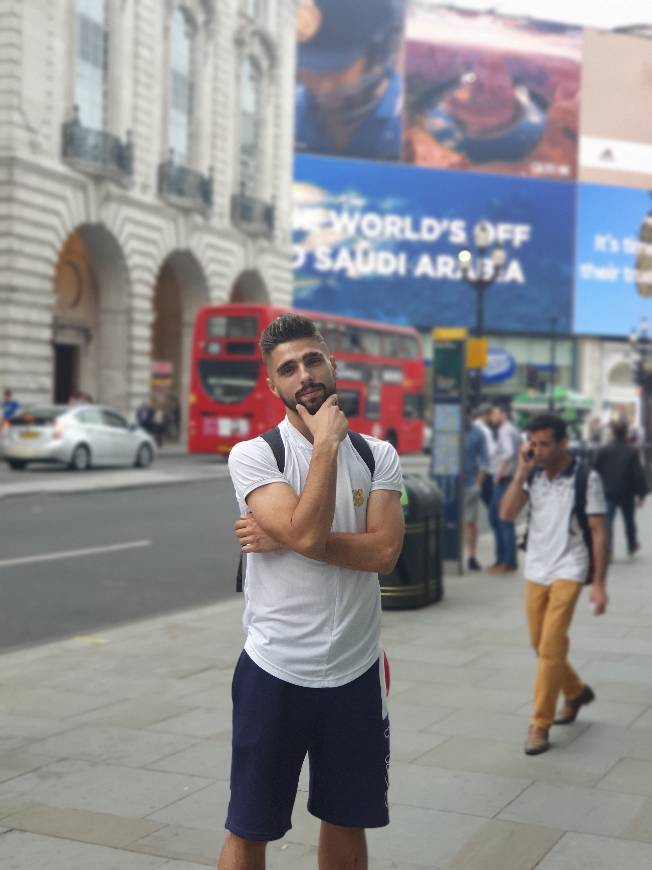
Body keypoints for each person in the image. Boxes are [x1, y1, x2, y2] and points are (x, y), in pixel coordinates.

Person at [220, 314, 404, 870]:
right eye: (288, 368)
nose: (304, 375)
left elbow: (384, 555)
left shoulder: (378, 456)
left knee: (348, 820)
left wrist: (288, 538)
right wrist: (325, 444)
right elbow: (306, 531)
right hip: (276, 670)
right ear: (272, 384)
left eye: (312, 360)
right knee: (250, 827)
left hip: (355, 672)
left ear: (332, 363)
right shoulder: (254, 455)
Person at [500, 413, 608, 756]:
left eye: (546, 444)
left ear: (564, 443)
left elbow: (599, 530)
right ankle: (575, 691)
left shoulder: (585, 478)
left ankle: (540, 724)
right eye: (534, 444)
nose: (539, 450)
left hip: (570, 568)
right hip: (536, 567)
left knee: (550, 646)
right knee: (539, 643)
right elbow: (505, 514)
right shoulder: (531, 474)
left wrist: (599, 583)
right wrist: (520, 472)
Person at [295, 0, 405, 161]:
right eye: (311, 71)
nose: (324, 87)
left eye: (337, 69)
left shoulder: (409, 125)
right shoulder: (287, 114)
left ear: (375, 57)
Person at [594, 418, 648, 558]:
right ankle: (631, 544)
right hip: (626, 491)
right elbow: (638, 473)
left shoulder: (603, 450)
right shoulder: (632, 451)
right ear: (626, 433)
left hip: (607, 491)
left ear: (612, 432)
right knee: (629, 520)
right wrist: (641, 494)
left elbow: (595, 470)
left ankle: (609, 548)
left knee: (608, 522)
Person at [488, 404, 521, 573]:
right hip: (509, 479)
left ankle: (506, 561)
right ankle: (505, 559)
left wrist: (500, 472)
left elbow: (508, 453)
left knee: (501, 519)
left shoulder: (504, 430)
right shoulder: (511, 429)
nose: (492, 417)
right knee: (502, 519)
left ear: (502, 414)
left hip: (505, 479)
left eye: (494, 413)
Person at [463, 408, 488, 571]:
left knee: (470, 522)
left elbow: (484, 461)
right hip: (450, 484)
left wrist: (478, 484)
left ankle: (472, 555)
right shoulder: (449, 430)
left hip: (469, 483)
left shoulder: (478, 433)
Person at [474, 402, 497, 510]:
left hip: (476, 469)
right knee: (491, 501)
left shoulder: (474, 427)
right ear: (486, 415)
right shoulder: (485, 431)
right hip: (485, 470)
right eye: (492, 414)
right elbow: (491, 452)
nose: (494, 417)